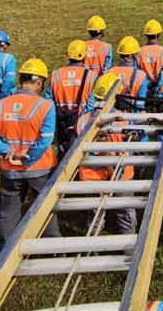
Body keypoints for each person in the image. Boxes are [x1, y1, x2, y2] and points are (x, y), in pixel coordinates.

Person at [0, 58, 60, 251]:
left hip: (10, 168)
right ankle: (51, 247)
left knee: (7, 211)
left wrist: (8, 152)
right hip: (39, 168)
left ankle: (4, 249)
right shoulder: (45, 106)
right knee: (45, 208)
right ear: (39, 82)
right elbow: (45, 140)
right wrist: (27, 158)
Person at [76, 73, 140, 236]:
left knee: (96, 215)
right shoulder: (124, 119)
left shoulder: (83, 120)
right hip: (121, 177)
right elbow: (129, 148)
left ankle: (91, 252)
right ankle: (129, 248)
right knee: (125, 213)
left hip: (92, 178)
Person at [50, 41, 97, 153]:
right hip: (82, 122)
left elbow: (49, 101)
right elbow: (92, 102)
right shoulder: (91, 76)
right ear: (85, 56)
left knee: (63, 151)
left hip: (62, 122)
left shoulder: (56, 74)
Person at [137, 20, 163, 108]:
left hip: (145, 91)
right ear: (158, 34)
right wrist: (157, 87)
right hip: (161, 92)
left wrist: (149, 85)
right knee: (162, 120)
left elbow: (137, 72)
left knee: (144, 119)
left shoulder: (139, 52)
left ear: (146, 35)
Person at [112, 37, 149, 112]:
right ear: (132, 56)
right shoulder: (141, 76)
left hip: (110, 118)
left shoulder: (109, 72)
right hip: (131, 119)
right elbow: (140, 104)